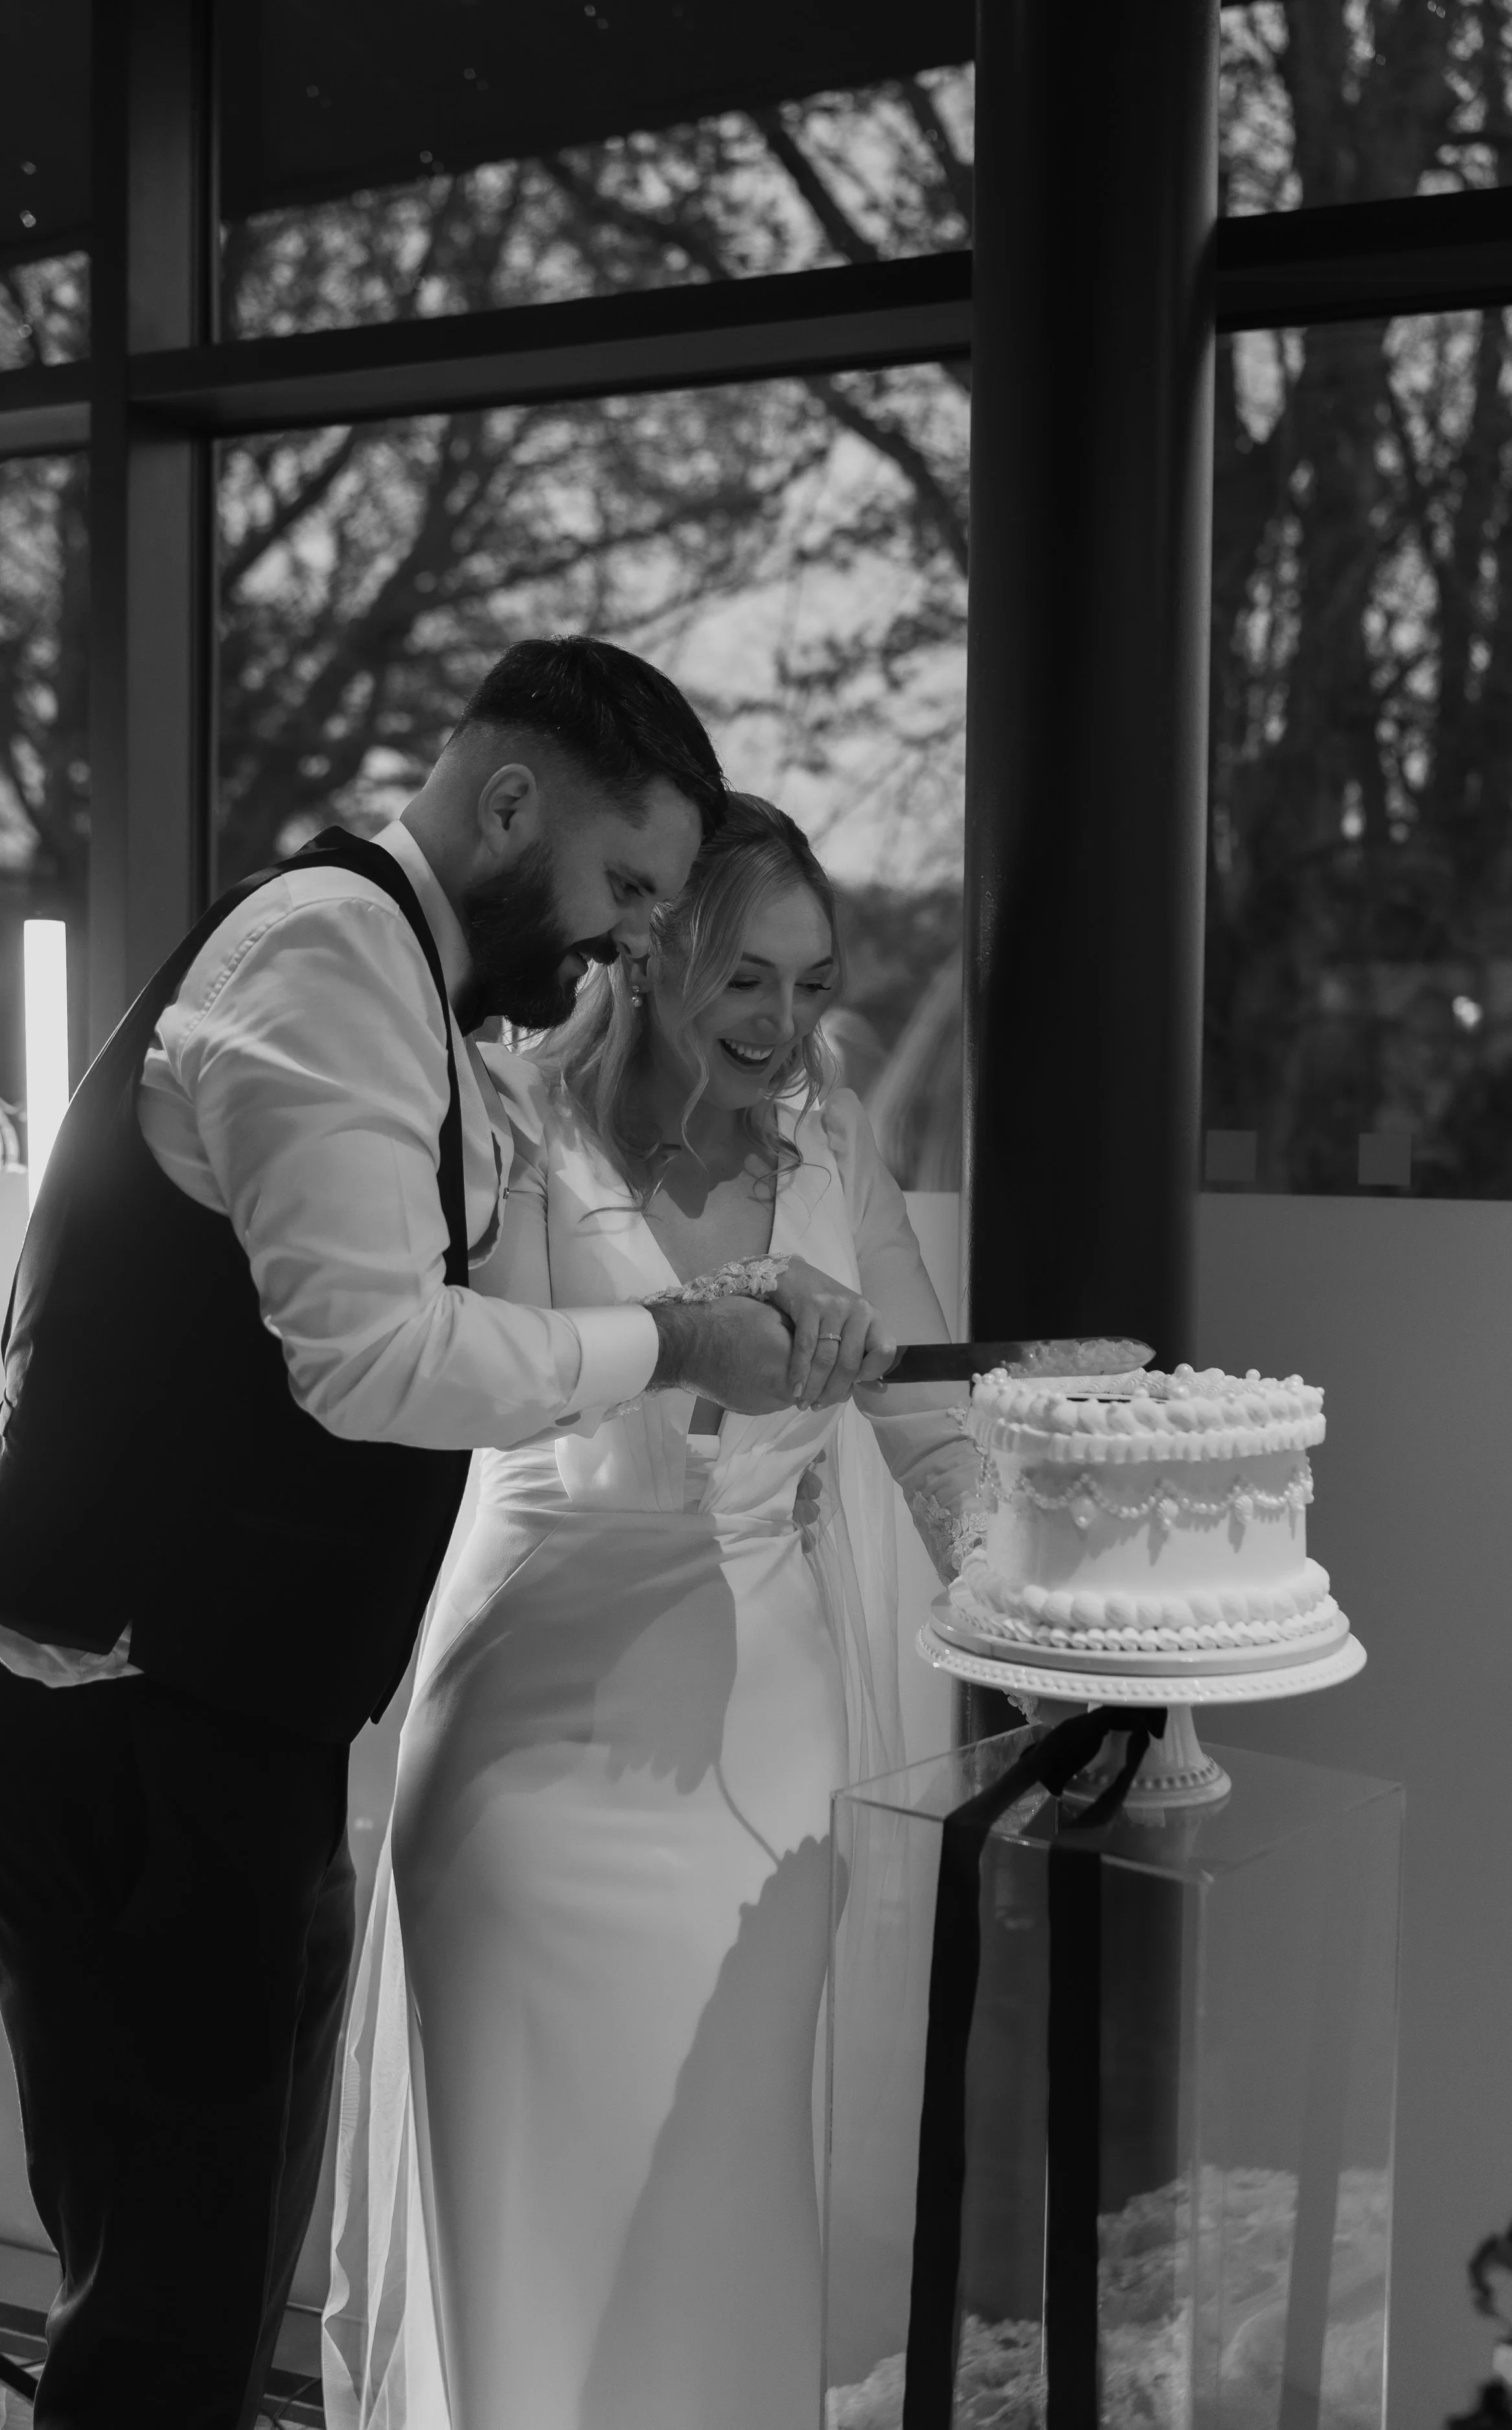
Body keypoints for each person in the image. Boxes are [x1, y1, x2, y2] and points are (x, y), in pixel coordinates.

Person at [0, 642, 867, 2430]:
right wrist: (678, 1338)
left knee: (210, 2267)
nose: (632, 936)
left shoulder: (404, 993)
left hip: (225, 1714)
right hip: (135, 1714)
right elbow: (371, 1353)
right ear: (505, 803)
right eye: (626, 884)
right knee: (167, 2298)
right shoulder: (324, 958)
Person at [324, 794, 987, 2430]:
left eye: (815, 984)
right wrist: (700, 1326)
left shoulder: (831, 1135)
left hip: (763, 1757)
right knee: (521, 2219)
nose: (787, 1025)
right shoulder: (510, 1125)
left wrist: (1018, 1597)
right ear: (652, 958)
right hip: (527, 1742)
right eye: (745, 980)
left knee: (719, 2200)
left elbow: (927, 1414)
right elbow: (461, 1381)